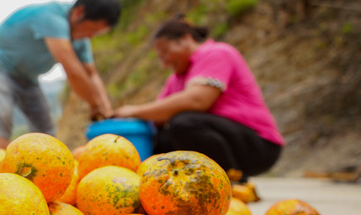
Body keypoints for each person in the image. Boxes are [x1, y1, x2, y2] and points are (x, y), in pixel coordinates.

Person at [113, 16, 284, 198]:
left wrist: (134, 110)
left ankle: (232, 184)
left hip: (258, 146)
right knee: (163, 137)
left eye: (165, 53)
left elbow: (198, 101)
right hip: (223, 139)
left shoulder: (216, 53)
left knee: (184, 122)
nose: (163, 62)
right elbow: (158, 116)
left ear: (186, 39)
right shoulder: (176, 79)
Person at [0, 0, 121, 149]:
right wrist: (95, 105)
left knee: (46, 128)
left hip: (28, 77)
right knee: (3, 115)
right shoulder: (51, 18)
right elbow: (72, 71)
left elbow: (91, 74)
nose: (90, 37)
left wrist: (106, 109)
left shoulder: (81, 39)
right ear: (79, 12)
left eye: (95, 34)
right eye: (91, 30)